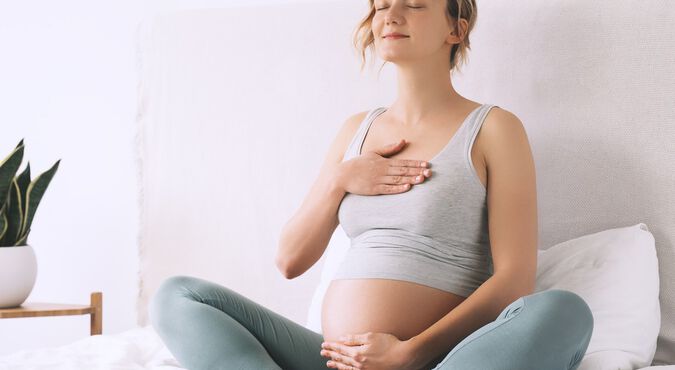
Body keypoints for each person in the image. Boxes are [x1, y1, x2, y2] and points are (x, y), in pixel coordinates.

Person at [149, 0, 594, 369]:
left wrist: (410, 354)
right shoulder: (354, 131)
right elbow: (289, 260)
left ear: (455, 29)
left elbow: (514, 281)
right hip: (334, 361)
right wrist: (338, 179)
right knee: (178, 296)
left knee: (563, 311)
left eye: (414, 5)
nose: (390, 15)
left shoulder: (495, 129)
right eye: (381, 6)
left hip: (437, 361)